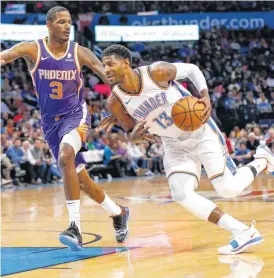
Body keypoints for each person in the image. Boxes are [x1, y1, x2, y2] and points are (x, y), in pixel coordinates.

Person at [97, 44, 274, 255]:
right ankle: (242, 231)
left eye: (110, 64)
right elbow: (132, 130)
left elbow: (192, 70)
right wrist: (133, 136)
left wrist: (205, 95)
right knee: (180, 193)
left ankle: (262, 159)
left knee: (228, 189)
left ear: (126, 63)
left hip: (200, 132)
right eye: (103, 65)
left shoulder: (156, 72)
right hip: (172, 144)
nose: (105, 69)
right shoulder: (115, 102)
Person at [0, 7, 129, 251]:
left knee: (65, 156)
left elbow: (107, 77)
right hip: (50, 124)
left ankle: (74, 227)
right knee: (82, 182)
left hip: (75, 116)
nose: (68, 26)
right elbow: (5, 56)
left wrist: (121, 104)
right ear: (49, 25)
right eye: (61, 22)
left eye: (69, 22)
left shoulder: (79, 52)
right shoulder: (33, 48)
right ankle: (118, 213)